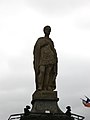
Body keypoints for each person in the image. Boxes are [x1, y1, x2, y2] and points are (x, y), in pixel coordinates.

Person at [33, 26, 58, 91]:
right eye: (47, 29)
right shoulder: (40, 40)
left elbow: (53, 49)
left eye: (49, 30)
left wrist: (55, 57)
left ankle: (46, 87)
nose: (48, 31)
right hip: (42, 59)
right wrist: (43, 44)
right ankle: (40, 86)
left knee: (48, 73)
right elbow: (37, 48)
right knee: (42, 71)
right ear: (44, 30)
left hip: (50, 58)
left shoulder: (50, 41)